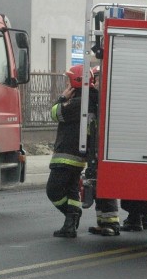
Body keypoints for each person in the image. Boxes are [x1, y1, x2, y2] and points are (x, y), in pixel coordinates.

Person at [46, 64, 98, 238]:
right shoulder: (91, 99)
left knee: (53, 191)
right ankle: (69, 226)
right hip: (77, 157)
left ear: (76, 82)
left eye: (69, 80)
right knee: (72, 191)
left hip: (66, 155)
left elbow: (55, 114)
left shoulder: (77, 102)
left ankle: (72, 215)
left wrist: (61, 98)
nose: (67, 84)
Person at [83, 65, 122, 237]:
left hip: (106, 149)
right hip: (95, 148)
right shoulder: (95, 98)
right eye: (95, 79)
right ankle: (102, 222)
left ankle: (112, 224)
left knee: (106, 185)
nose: (95, 82)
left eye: (98, 79)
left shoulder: (107, 97)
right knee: (96, 184)